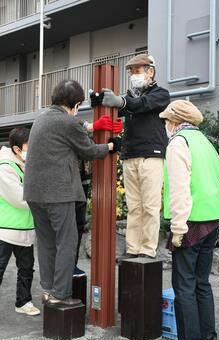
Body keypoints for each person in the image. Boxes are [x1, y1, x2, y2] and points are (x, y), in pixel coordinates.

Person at [23, 80, 118, 306]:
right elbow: (90, 151)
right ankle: (60, 294)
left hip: (34, 193)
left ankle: (48, 290)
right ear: (76, 103)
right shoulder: (67, 122)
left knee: (46, 242)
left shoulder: (40, 119)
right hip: (59, 193)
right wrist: (112, 147)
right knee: (67, 241)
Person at [159, 100, 219, 340]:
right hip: (212, 220)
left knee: (184, 284)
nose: (166, 125)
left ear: (175, 121)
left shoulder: (178, 143)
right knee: (202, 283)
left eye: (167, 120)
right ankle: (208, 339)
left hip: (190, 223)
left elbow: (179, 189)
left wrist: (177, 230)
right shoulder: (206, 143)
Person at [92, 54, 170, 259]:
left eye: (137, 71)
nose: (133, 75)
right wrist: (99, 102)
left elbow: (142, 104)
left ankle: (148, 249)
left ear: (150, 71)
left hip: (151, 155)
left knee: (150, 206)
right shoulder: (130, 97)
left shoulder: (160, 94)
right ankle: (133, 248)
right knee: (134, 206)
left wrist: (121, 101)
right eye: (131, 72)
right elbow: (118, 111)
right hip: (130, 155)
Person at [0, 128, 40, 316]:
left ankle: (23, 302)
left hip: (25, 229)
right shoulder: (5, 167)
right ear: (16, 149)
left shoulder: (26, 164)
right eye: (28, 146)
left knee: (26, 269)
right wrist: (41, 201)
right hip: (5, 230)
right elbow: (18, 198)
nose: (32, 150)